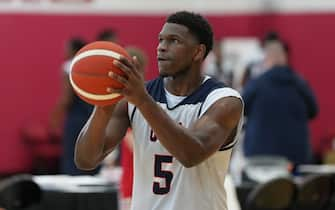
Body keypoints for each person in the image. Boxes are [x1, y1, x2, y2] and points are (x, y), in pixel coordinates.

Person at [75, 11, 243, 210]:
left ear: (198, 52)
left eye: (174, 41)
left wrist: (143, 101)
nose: (162, 47)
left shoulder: (224, 101)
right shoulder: (134, 98)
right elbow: (85, 160)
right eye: (161, 40)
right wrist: (103, 108)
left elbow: (191, 154)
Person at [242, 38, 319, 165]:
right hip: (295, 156)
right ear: (284, 58)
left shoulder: (256, 84)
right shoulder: (300, 83)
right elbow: (314, 111)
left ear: (267, 58)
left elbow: (240, 109)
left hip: (260, 156)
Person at [50, 38, 96, 175]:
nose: (64, 51)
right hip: (92, 115)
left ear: (74, 50)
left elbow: (66, 98)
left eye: (67, 48)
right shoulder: (91, 66)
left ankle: (72, 190)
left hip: (76, 117)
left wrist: (55, 117)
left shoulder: (68, 67)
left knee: (72, 155)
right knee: (91, 152)